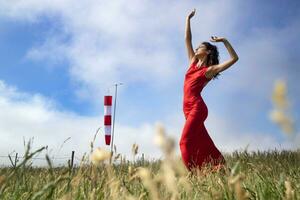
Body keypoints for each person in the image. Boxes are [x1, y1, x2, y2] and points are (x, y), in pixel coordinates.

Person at [179, 8, 239, 173]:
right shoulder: (192, 62)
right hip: (187, 108)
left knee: (184, 142)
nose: (196, 49)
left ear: (207, 51)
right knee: (201, 142)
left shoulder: (209, 70)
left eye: (200, 47)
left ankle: (195, 174)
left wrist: (225, 41)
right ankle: (219, 169)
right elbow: (187, 39)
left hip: (197, 108)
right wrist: (188, 19)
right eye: (196, 47)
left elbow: (234, 59)